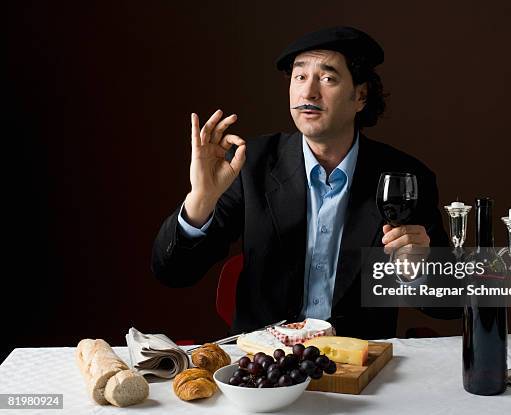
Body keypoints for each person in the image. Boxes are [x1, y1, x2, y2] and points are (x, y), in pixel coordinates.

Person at [152, 27, 455, 339]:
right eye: (299, 77)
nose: (308, 92)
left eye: (328, 78)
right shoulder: (250, 162)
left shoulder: (403, 177)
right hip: (263, 368)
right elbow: (174, 274)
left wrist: (419, 269)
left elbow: (450, 306)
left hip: (359, 367)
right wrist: (200, 200)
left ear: (360, 96)